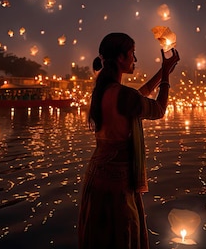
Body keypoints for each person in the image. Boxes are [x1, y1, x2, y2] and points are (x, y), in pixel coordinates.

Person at [78, 32, 180, 249]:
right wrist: (166, 80)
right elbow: (158, 109)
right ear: (121, 58)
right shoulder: (124, 96)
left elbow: (138, 95)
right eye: (133, 54)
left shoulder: (103, 91)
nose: (135, 59)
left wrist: (164, 71)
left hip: (97, 178)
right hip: (118, 186)